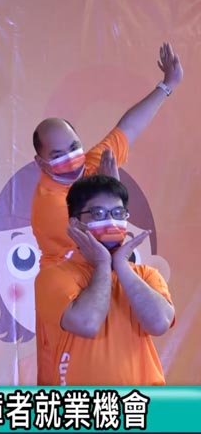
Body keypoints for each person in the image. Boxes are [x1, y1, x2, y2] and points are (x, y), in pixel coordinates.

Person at [31, 42, 183, 269]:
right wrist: (112, 186)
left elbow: (128, 128)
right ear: (41, 163)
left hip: (103, 270)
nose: (71, 158)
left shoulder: (92, 163)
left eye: (74, 147)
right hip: (67, 277)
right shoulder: (50, 203)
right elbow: (106, 238)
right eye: (58, 155)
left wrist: (167, 85)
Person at [35, 175, 174, 385]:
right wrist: (102, 263)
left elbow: (159, 324)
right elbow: (87, 323)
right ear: (75, 224)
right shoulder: (53, 276)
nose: (111, 222)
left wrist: (121, 266)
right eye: (98, 213)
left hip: (143, 401)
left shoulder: (147, 274)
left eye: (118, 213)